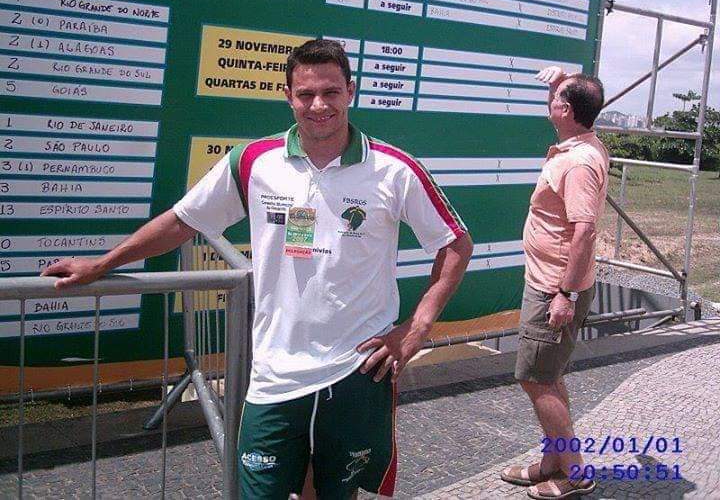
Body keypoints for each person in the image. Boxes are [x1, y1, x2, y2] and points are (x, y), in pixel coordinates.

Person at [42, 39, 473, 499]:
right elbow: (183, 221)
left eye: (331, 92)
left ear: (351, 91)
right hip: (274, 375)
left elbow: (456, 244)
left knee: (338, 494)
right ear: (288, 96)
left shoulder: (395, 169)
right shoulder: (254, 161)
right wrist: (103, 264)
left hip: (358, 369)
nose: (319, 105)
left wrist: (416, 328)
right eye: (306, 94)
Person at [499, 66, 608, 499]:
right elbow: (575, 101)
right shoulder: (582, 142)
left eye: (556, 98)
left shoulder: (578, 163)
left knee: (536, 379)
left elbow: (584, 231)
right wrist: (561, 83)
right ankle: (552, 462)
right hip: (551, 283)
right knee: (548, 374)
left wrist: (565, 294)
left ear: (565, 110)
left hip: (554, 288)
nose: (551, 102)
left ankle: (575, 473)